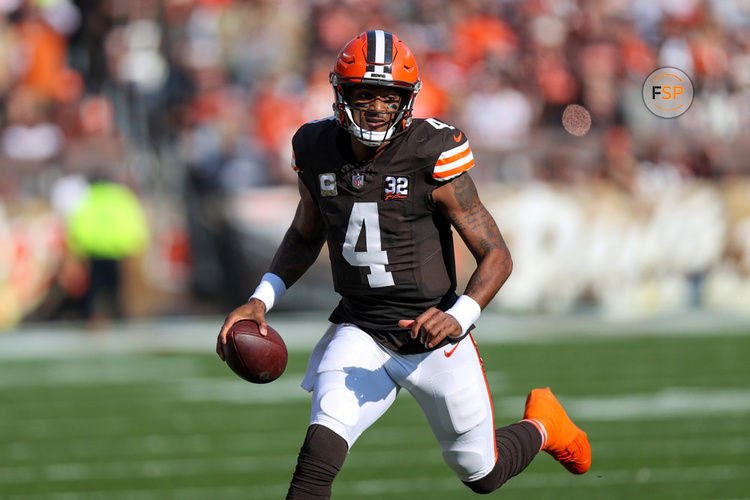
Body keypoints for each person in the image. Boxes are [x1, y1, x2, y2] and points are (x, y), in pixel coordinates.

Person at [217, 30, 591, 498]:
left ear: (407, 101)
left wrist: (458, 317)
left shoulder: (431, 152)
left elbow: (497, 255)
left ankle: (543, 425)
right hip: (361, 331)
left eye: (388, 97)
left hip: (432, 336)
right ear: (341, 94)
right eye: (364, 94)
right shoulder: (314, 148)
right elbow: (304, 233)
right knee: (314, 467)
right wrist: (260, 299)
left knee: (482, 475)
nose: (376, 107)